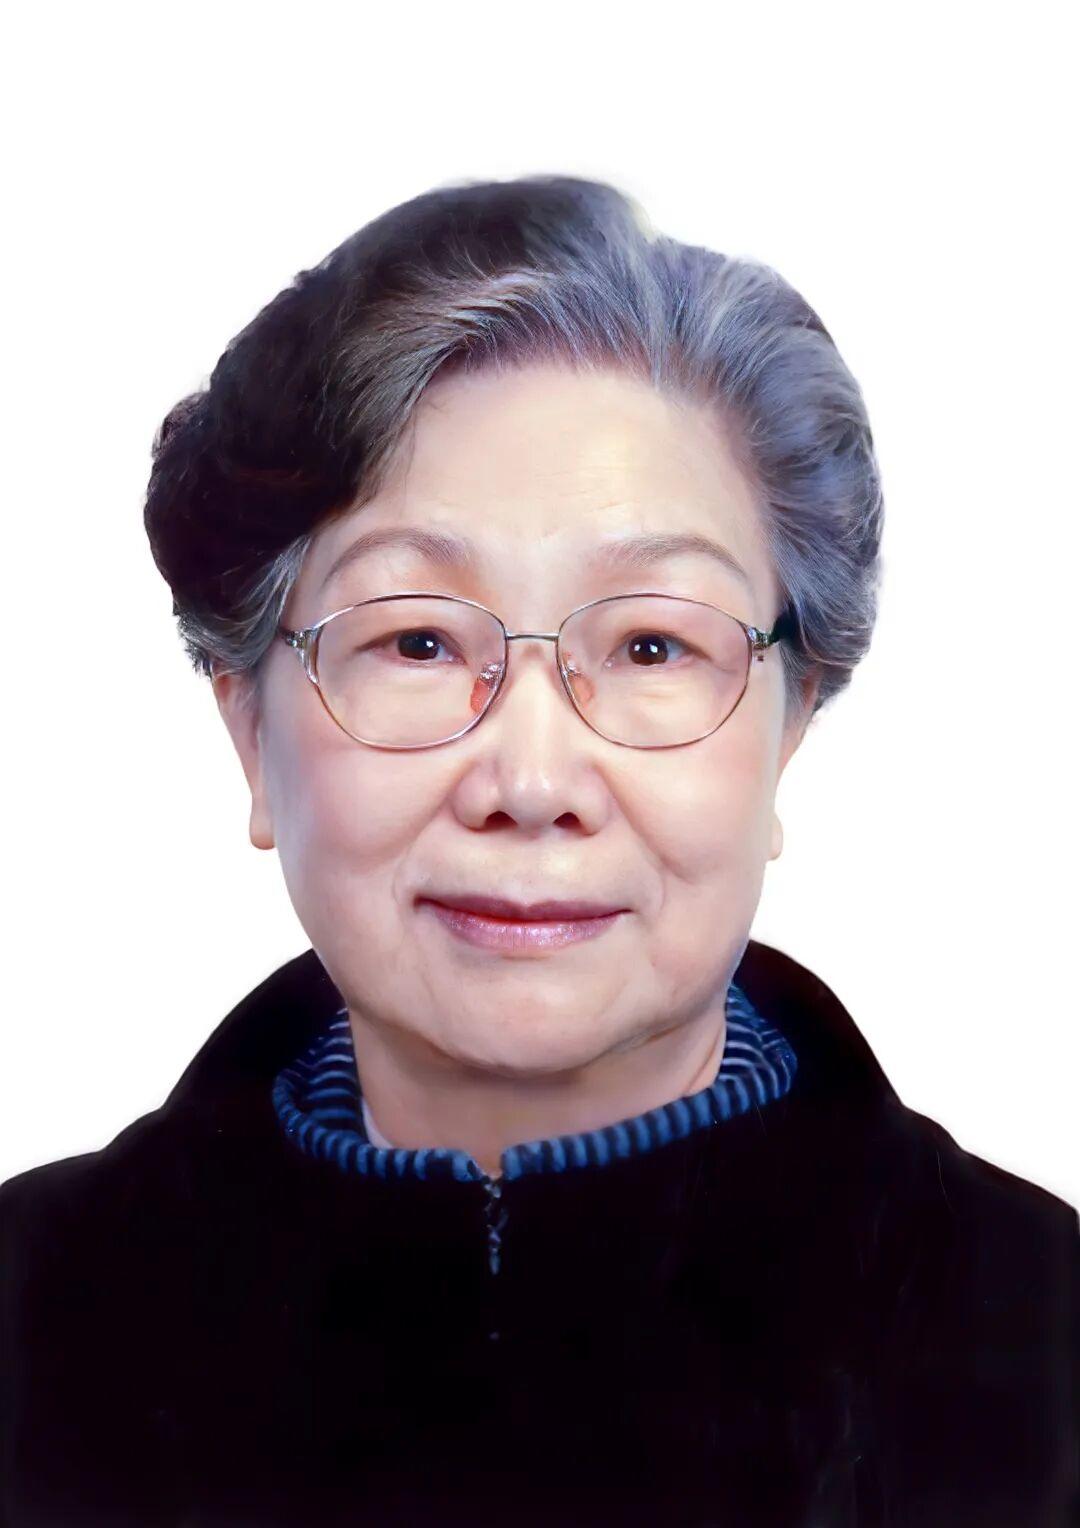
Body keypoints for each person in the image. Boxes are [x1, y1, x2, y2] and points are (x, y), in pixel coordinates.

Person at [1, 174, 1076, 1527]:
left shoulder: (1041, 1344)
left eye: (651, 645)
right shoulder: (31, 1322)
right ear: (249, 731)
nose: (531, 780)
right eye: (415, 640)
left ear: (790, 728)